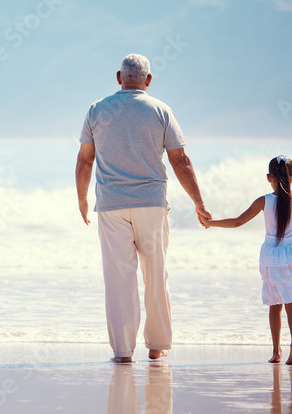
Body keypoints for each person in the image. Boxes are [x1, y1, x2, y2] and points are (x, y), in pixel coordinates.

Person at [76, 54, 212, 363]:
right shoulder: (161, 110)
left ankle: (123, 351)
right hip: (151, 204)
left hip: (111, 206)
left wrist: (83, 199)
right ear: (148, 80)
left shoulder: (97, 109)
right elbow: (181, 161)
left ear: (118, 78)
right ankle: (157, 345)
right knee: (156, 274)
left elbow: (85, 160)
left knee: (118, 278)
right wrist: (199, 203)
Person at [205, 155, 292, 365]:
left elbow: (237, 222)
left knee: (275, 306)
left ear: (268, 177)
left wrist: (211, 223)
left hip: (270, 256)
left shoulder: (264, 200)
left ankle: (276, 351)